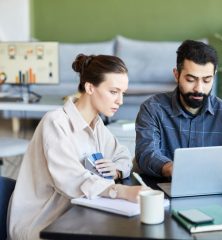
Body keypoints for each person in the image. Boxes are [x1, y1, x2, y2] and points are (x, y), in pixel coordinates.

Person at [8, 54, 142, 240]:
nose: (120, 100)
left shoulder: (96, 124)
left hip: (79, 215)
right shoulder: (55, 122)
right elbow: (71, 179)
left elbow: (123, 155)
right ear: (89, 87)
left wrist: (117, 170)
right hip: (42, 224)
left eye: (123, 93)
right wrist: (122, 191)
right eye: (114, 91)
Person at [135, 40, 222, 177]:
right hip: (165, 189)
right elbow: (146, 153)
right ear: (177, 75)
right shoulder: (152, 109)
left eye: (206, 80)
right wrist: (171, 168)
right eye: (191, 80)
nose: (199, 89)